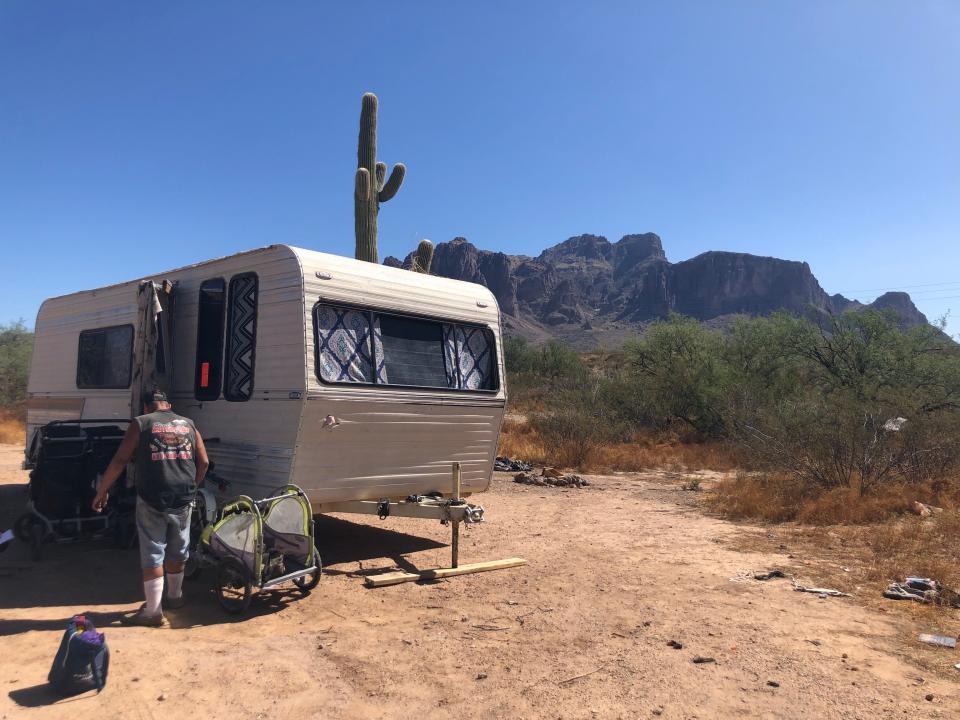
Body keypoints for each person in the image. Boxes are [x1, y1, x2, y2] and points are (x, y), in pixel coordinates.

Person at [93, 389, 209, 627]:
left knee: (153, 551)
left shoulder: (142, 423)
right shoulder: (188, 423)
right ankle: (175, 598)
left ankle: (153, 612)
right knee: (179, 548)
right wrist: (192, 486)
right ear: (167, 404)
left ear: (147, 406)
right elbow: (204, 461)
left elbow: (120, 460)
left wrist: (102, 490)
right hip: (183, 496)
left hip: (152, 496)